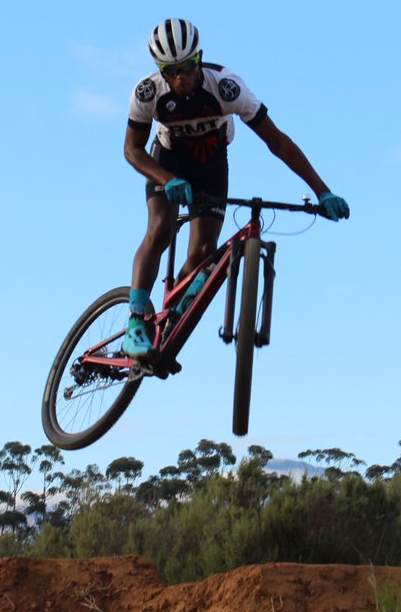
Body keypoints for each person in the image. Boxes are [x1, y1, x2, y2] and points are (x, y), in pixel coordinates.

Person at [121, 18, 349, 359]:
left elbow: (277, 141)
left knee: (202, 254)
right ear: (160, 70)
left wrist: (322, 190)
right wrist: (167, 180)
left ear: (199, 58)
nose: (180, 78)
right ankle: (136, 322)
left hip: (211, 164)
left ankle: (170, 316)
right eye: (171, 71)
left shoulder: (226, 87)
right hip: (166, 162)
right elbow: (132, 150)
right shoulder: (149, 92)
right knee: (161, 228)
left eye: (187, 67)